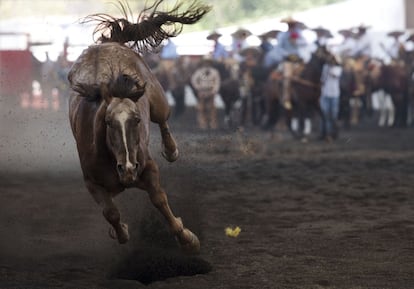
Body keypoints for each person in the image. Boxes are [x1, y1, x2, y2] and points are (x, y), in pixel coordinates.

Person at [277, 16, 307, 110]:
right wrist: (287, 54)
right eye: (290, 24)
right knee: (288, 76)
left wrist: (296, 42)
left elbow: (305, 43)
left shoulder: (299, 33)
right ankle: (287, 98)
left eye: (293, 24)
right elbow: (279, 48)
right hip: (288, 60)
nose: (292, 26)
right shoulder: (282, 35)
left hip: (298, 58)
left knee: (307, 72)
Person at [191, 58, 221, 130]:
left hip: (211, 91)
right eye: (205, 62)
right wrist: (198, 88)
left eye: (208, 62)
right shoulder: (199, 72)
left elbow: (217, 82)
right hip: (202, 91)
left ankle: (212, 124)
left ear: (210, 63)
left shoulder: (215, 72)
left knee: (212, 108)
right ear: (203, 63)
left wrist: (214, 91)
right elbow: (193, 80)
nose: (207, 64)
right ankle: (202, 124)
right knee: (201, 108)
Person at [319, 55, 343, 141]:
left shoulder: (338, 69)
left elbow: (334, 75)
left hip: (334, 95)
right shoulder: (325, 67)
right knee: (325, 114)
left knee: (333, 115)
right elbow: (322, 80)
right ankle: (326, 134)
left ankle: (333, 132)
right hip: (325, 94)